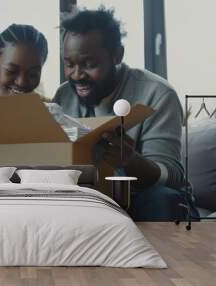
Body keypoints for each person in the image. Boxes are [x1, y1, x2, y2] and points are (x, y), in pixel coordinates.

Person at [53, 7, 197, 221]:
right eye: (69, 64)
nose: (77, 75)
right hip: (93, 198)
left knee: (162, 199)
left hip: (147, 198)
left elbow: (172, 177)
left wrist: (130, 161)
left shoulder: (157, 94)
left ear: (117, 55)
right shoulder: (63, 96)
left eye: (89, 64)